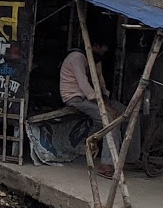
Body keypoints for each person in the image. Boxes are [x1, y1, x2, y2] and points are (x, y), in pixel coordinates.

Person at [58, 40, 137, 175]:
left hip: (94, 98)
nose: (103, 53)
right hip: (77, 98)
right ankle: (107, 164)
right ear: (95, 46)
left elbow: (101, 83)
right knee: (111, 121)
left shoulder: (95, 59)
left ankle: (130, 159)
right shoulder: (77, 57)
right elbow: (86, 88)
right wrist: (108, 108)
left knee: (131, 114)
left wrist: (106, 99)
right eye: (102, 49)